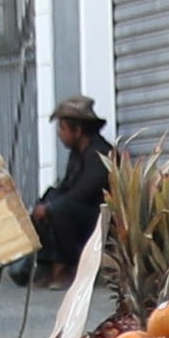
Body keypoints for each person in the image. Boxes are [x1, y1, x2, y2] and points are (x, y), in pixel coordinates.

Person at [29, 94, 109, 280]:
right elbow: (65, 187)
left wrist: (50, 208)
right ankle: (46, 265)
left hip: (98, 217)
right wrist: (45, 204)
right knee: (47, 200)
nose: (59, 133)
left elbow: (82, 193)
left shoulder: (100, 154)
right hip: (79, 211)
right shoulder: (76, 155)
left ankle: (68, 267)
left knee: (59, 209)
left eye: (62, 128)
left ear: (78, 130)